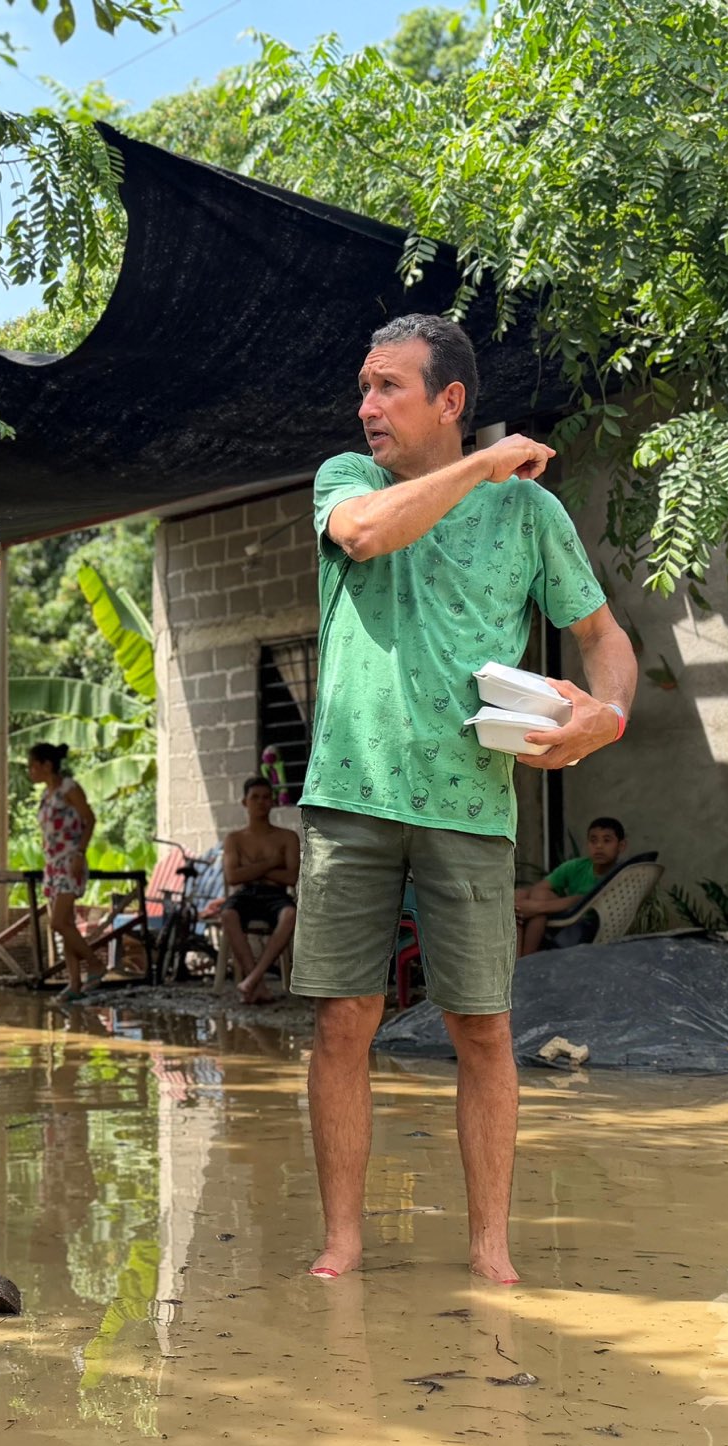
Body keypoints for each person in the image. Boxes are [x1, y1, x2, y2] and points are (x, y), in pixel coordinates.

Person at [291, 314, 636, 1285]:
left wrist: (604, 718)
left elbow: (604, 640)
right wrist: (484, 463)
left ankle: (490, 1249)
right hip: (351, 797)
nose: (366, 407)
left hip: (472, 805)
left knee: (482, 1028)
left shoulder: (529, 515)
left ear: (449, 400)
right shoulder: (345, 482)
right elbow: (367, 535)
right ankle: (342, 1242)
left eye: (388, 387)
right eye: (364, 388)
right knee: (343, 1021)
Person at [27, 743, 102, 1003]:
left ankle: (95, 963)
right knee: (66, 924)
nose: (30, 771)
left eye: (33, 766)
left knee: (58, 922)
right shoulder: (46, 795)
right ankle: (74, 983)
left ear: (47, 765)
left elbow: (90, 819)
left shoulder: (69, 788)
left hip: (70, 860)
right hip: (52, 864)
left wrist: (80, 853)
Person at [220, 776, 300, 1004]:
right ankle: (259, 986)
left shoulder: (287, 837)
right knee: (228, 914)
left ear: (273, 801)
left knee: (291, 915)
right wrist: (272, 863)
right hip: (247, 894)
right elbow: (233, 877)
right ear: (244, 802)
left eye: (266, 797)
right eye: (255, 797)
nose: (261, 802)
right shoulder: (235, 839)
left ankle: (253, 979)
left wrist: (251, 869)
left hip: (276, 896)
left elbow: (291, 878)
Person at [515, 818, 628, 956]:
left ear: (621, 846)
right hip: (564, 918)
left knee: (534, 905)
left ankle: (525, 959)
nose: (599, 846)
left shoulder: (620, 875)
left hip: (587, 925)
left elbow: (584, 900)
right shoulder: (577, 866)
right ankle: (517, 957)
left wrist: (537, 907)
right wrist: (524, 902)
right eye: (593, 840)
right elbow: (540, 887)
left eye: (607, 840)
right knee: (523, 896)